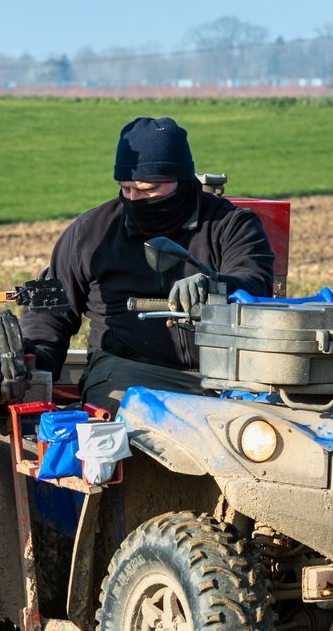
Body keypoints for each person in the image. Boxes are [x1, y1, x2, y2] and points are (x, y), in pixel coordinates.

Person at [18, 116, 276, 411]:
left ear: (181, 179)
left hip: (224, 376)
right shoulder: (91, 232)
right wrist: (35, 359)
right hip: (126, 370)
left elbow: (256, 282)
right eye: (126, 189)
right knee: (128, 424)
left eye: (148, 189)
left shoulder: (230, 225)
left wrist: (215, 285)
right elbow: (48, 310)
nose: (134, 198)